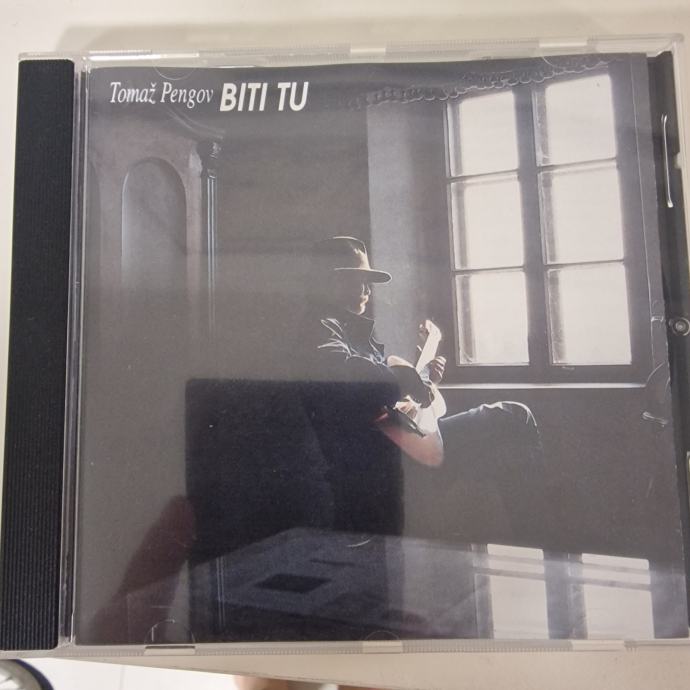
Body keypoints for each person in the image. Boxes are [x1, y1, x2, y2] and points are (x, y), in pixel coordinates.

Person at [300, 236, 543, 541]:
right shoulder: (320, 329)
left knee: (509, 432)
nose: (367, 290)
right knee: (513, 418)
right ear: (332, 282)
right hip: (382, 460)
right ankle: (539, 540)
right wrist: (404, 376)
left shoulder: (350, 331)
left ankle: (532, 537)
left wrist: (425, 380)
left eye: (367, 282)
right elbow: (346, 375)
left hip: (397, 445)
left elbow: (384, 401)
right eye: (357, 280)